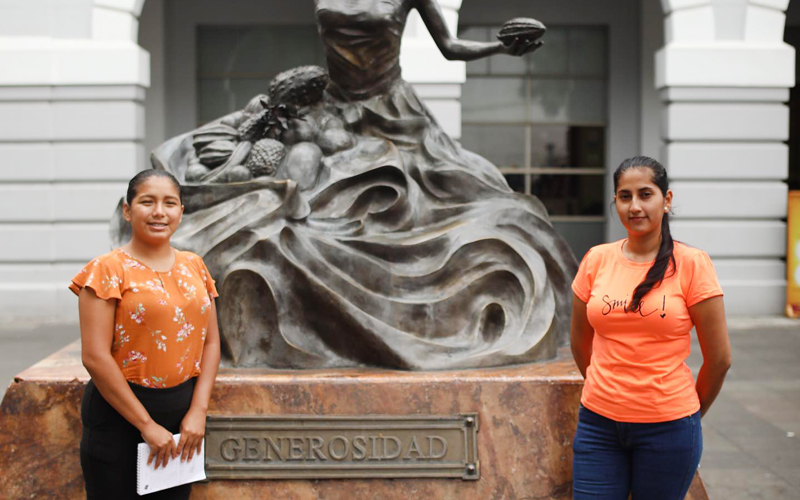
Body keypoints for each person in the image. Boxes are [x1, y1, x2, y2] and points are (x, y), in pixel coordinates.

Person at [143, 0, 578, 370]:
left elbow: (450, 48)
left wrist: (498, 47)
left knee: (459, 194)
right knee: (290, 189)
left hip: (391, 112)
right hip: (332, 110)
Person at [570, 156, 732, 500]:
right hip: (598, 425)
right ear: (615, 202)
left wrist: (687, 411)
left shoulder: (691, 264)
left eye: (646, 194)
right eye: (624, 196)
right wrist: (608, 389)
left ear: (666, 200)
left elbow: (719, 359)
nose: (635, 206)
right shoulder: (596, 259)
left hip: (669, 428)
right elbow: (579, 341)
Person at [70, 169, 221, 499]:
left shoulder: (195, 266)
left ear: (181, 211)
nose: (159, 212)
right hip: (119, 416)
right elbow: (94, 357)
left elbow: (210, 343)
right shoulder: (107, 269)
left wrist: (198, 411)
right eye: (147, 202)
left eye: (170, 203)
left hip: (181, 417)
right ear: (127, 210)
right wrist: (146, 425)